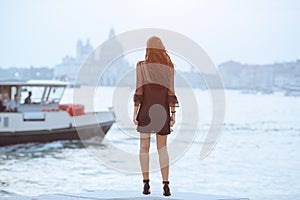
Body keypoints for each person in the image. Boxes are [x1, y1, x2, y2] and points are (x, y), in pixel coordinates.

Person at [133, 36, 179, 196]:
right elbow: (170, 93)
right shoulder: (169, 67)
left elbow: (139, 91)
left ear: (148, 49)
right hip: (163, 111)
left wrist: (135, 113)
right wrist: (173, 114)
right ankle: (166, 186)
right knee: (162, 149)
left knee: (144, 148)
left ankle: (146, 185)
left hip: (145, 110)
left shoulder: (141, 66)